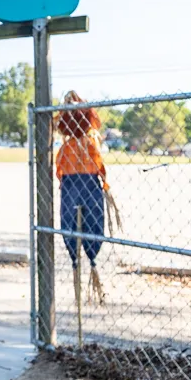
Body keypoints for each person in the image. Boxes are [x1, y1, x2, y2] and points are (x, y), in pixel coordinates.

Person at [56, 91, 111, 304]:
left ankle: (88, 259)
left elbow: (97, 166)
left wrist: (103, 183)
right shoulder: (76, 147)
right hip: (77, 185)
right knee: (74, 222)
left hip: (83, 184)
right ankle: (79, 260)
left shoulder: (83, 145)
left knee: (89, 222)